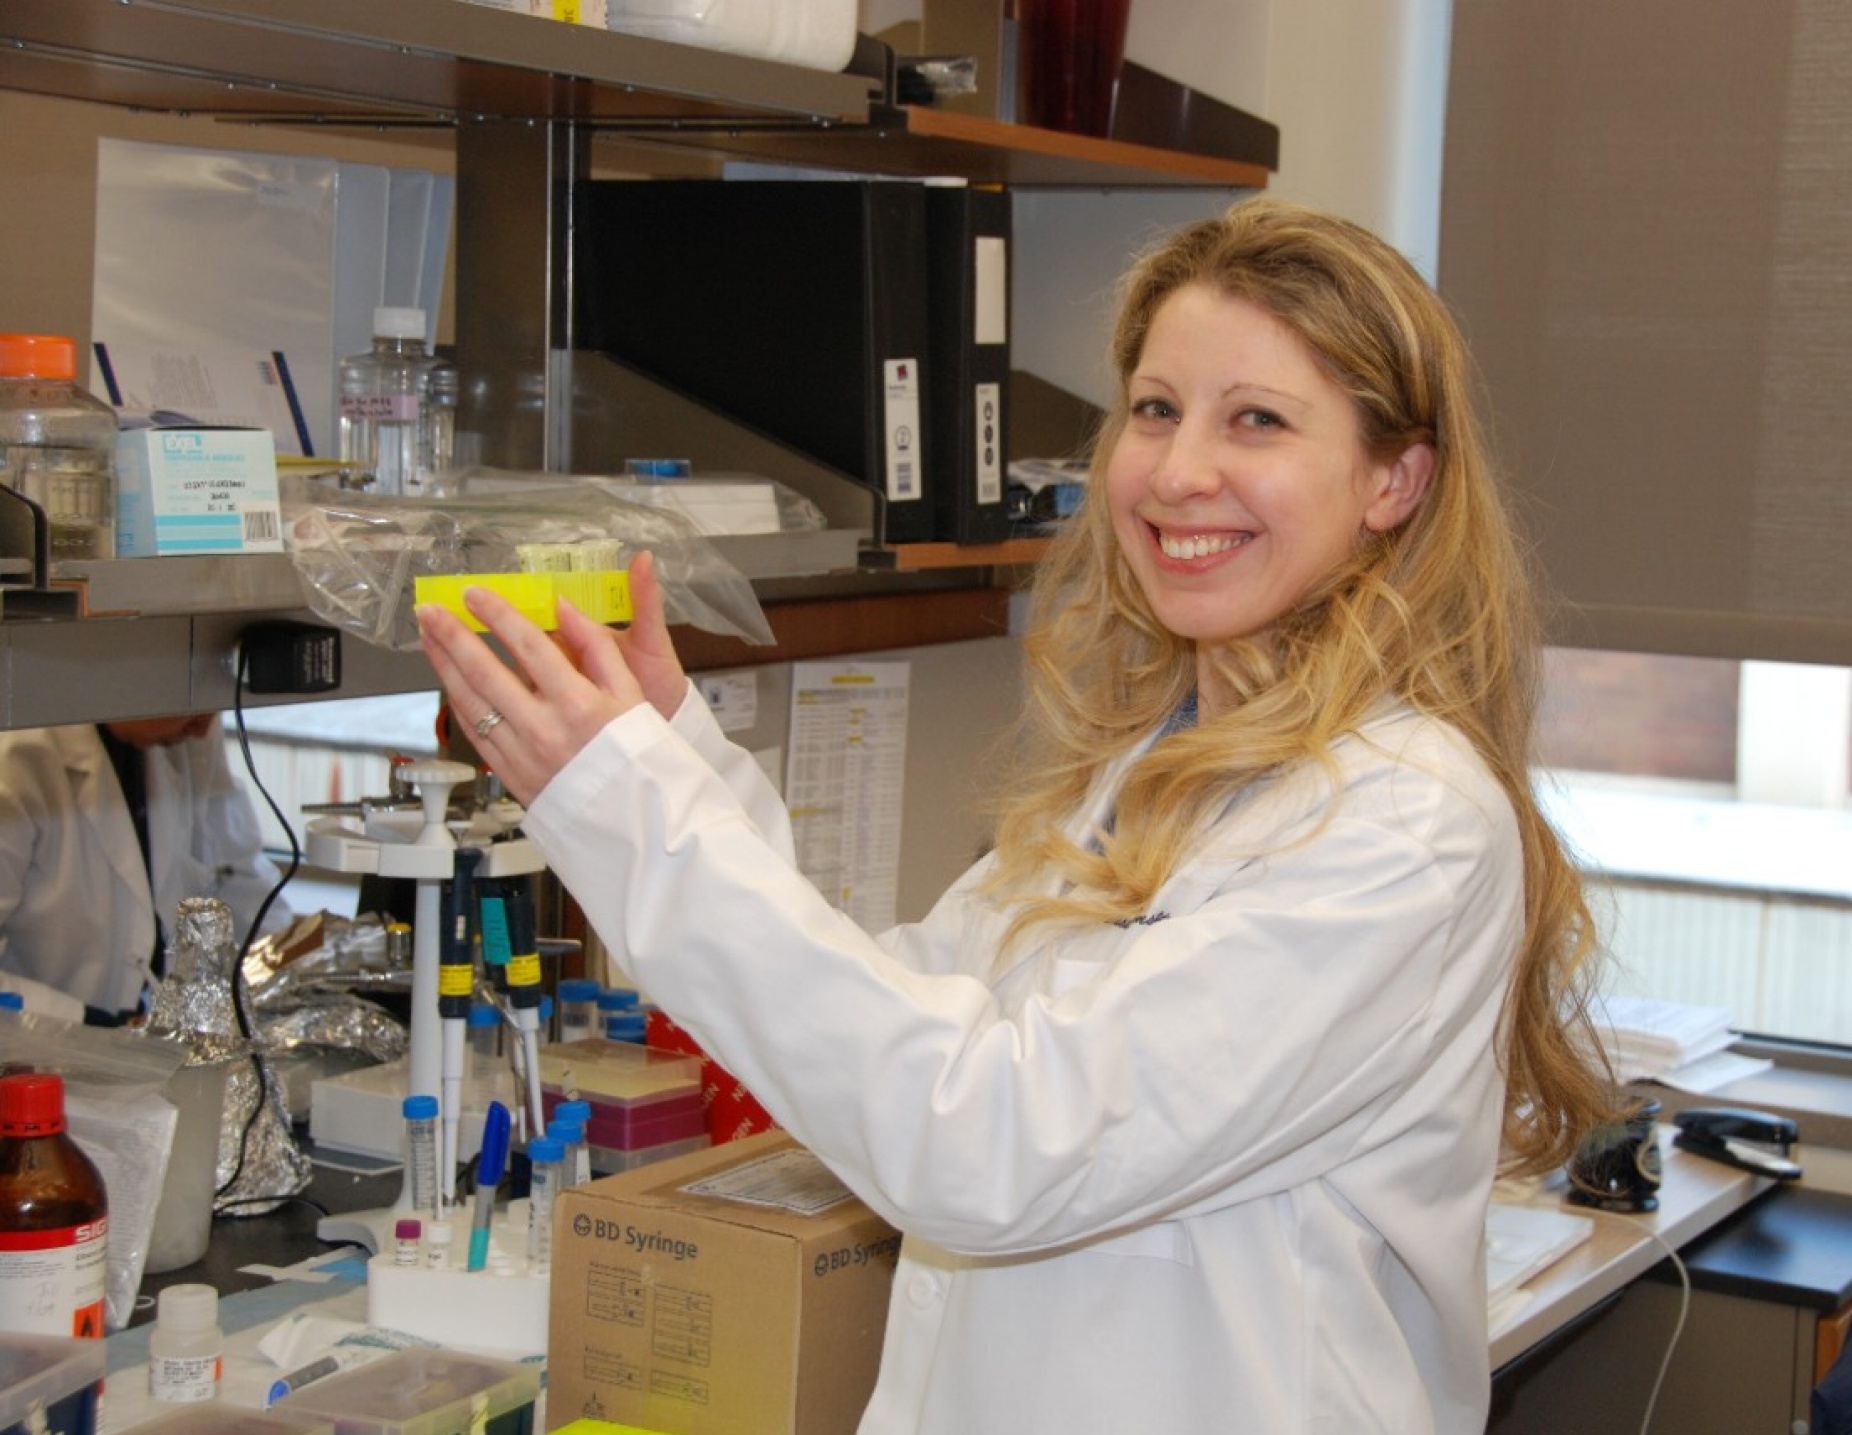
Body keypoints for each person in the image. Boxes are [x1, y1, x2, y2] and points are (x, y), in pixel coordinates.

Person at [418, 197, 1620, 1433]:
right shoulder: (1154, 763)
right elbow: (897, 1007)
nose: (1176, 469)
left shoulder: (1401, 823)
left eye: (1254, 419)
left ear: (1392, 480)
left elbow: (989, 1146)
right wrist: (675, 753)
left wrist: (636, 808)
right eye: (1154, 410)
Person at [0, 713, 288, 1024]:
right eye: (190, 709)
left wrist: (285, 976)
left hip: (153, 1038)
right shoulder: (17, 757)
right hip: (43, 1046)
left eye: (214, 709)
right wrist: (96, 1025)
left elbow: (243, 884)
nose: (203, 728)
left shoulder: (188, 725)